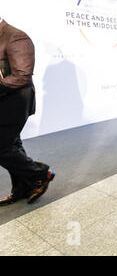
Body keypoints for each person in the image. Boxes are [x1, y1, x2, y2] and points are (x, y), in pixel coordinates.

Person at [0, 18, 54, 206]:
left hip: (15, 102)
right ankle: (22, 188)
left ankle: (41, 173)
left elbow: (22, 76)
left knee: (2, 147)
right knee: (12, 145)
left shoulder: (15, 36)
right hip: (3, 101)